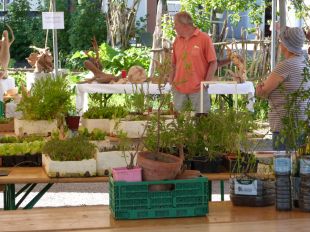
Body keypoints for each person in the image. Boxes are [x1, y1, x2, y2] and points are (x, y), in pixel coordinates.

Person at [256, 27, 309, 150]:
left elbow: (263, 92)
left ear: (286, 45)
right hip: (300, 121)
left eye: (281, 41)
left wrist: (259, 89)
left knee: (283, 163)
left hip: (284, 124)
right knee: (297, 162)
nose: (280, 44)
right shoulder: (304, 62)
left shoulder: (285, 65)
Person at [169, 11, 217, 113]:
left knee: (202, 121)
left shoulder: (204, 38)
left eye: (176, 24)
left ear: (184, 25)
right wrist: (171, 81)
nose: (174, 27)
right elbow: (173, 63)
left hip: (198, 89)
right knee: (180, 122)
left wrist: (206, 83)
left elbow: (213, 62)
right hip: (178, 89)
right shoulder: (177, 41)